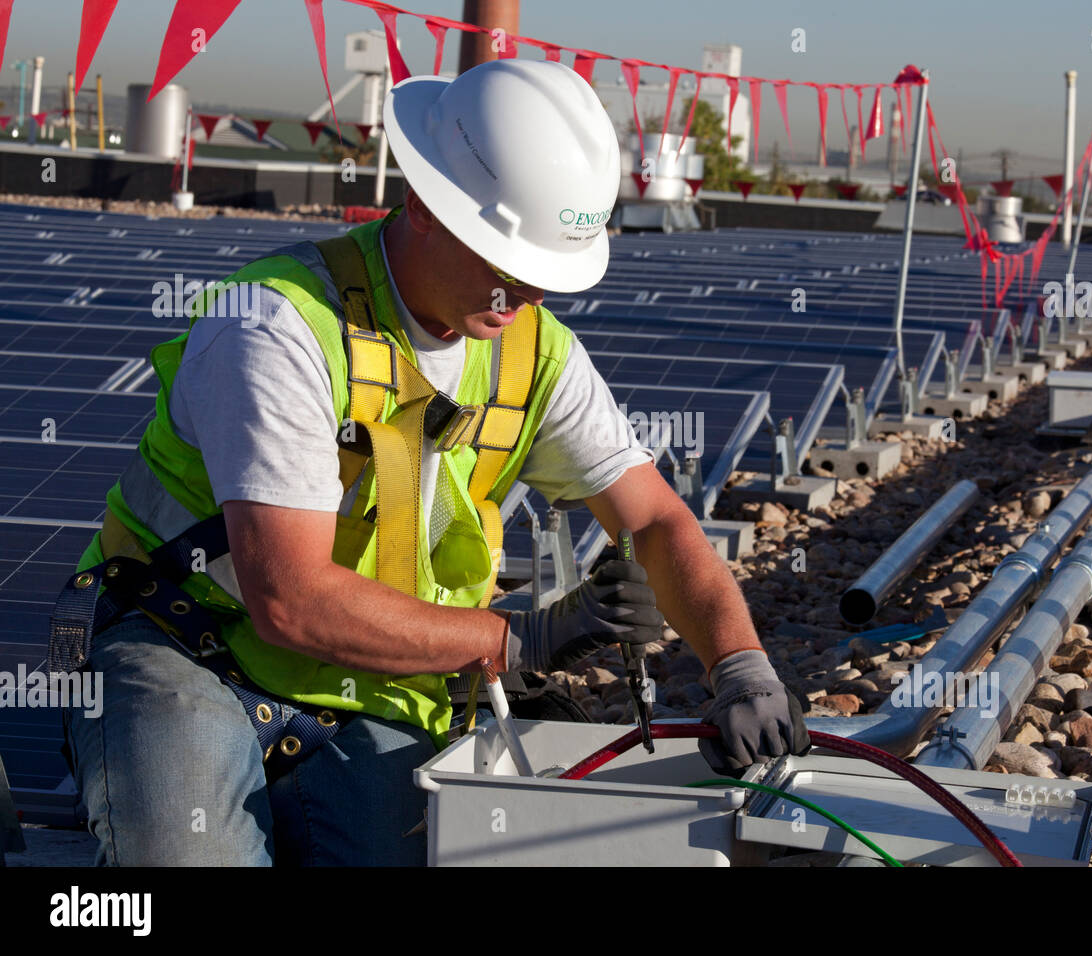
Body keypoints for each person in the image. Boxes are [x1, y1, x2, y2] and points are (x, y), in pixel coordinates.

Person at [56, 58, 807, 866]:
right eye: (506, 267)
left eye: (543, 278)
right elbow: (290, 601)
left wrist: (741, 663)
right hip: (184, 645)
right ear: (422, 205)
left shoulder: (532, 352)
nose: (524, 297)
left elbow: (655, 519)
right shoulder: (278, 326)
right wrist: (519, 641)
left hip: (368, 673)